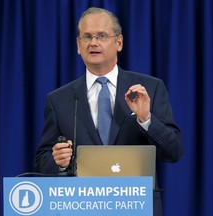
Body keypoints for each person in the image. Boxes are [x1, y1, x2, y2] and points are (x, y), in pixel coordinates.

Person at [34, 7, 183, 216]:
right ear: (78, 45)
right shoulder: (59, 99)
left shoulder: (150, 88)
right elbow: (42, 161)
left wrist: (146, 119)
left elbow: (174, 151)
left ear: (119, 42)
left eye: (101, 36)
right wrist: (57, 161)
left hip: (136, 207)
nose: (93, 42)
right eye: (86, 37)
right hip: (81, 208)